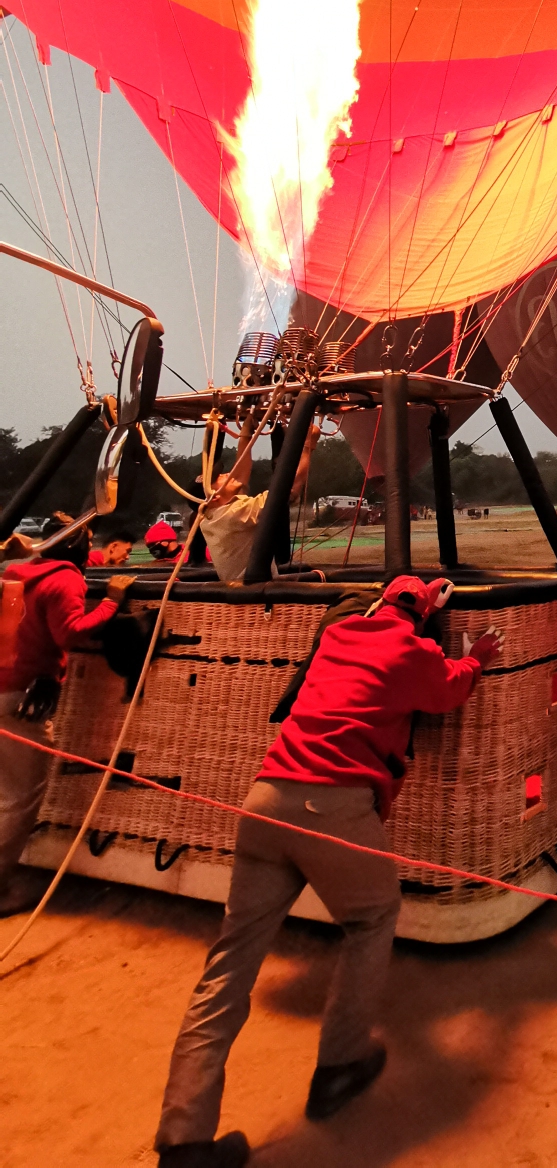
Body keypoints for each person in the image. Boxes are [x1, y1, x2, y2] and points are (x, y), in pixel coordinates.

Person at [154, 574, 503, 1167]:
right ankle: (340, 1063)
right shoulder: (412, 649)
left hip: (264, 800)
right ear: (420, 616)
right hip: (332, 804)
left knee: (229, 965)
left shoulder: (337, 636)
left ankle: (184, 1139)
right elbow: (446, 691)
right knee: (372, 917)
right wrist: (474, 660)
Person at [0, 516, 133, 914]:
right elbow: (71, 632)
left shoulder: (16, 575)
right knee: (18, 800)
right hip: (19, 698)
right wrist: (111, 600)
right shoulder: (65, 580)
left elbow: (14, 633)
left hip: (5, 684)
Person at [200, 409, 317, 583]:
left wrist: (246, 431)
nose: (227, 474)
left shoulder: (216, 514)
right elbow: (290, 486)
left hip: (246, 590)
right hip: (254, 596)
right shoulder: (233, 515)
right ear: (214, 496)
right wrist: (308, 444)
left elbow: (241, 472)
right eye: (220, 477)